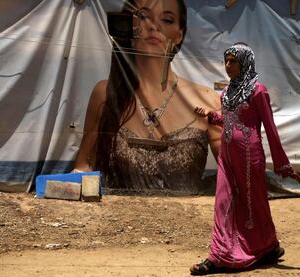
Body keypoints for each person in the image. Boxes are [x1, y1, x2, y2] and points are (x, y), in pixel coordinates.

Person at [73, 0, 221, 194]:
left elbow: (236, 173)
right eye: (143, 16)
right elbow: (84, 166)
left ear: (179, 34)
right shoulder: (106, 94)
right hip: (118, 221)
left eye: (167, 20)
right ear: (129, 26)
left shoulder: (207, 101)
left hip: (187, 219)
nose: (154, 26)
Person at [190, 43, 293, 275]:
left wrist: (281, 162)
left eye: (233, 61)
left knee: (254, 204)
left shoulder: (258, 91)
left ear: (245, 61)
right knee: (223, 202)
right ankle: (218, 256)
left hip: (249, 157)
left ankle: (268, 247)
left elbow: (269, 126)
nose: (228, 66)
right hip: (227, 157)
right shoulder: (226, 93)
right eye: (226, 61)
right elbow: (230, 120)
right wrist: (212, 116)